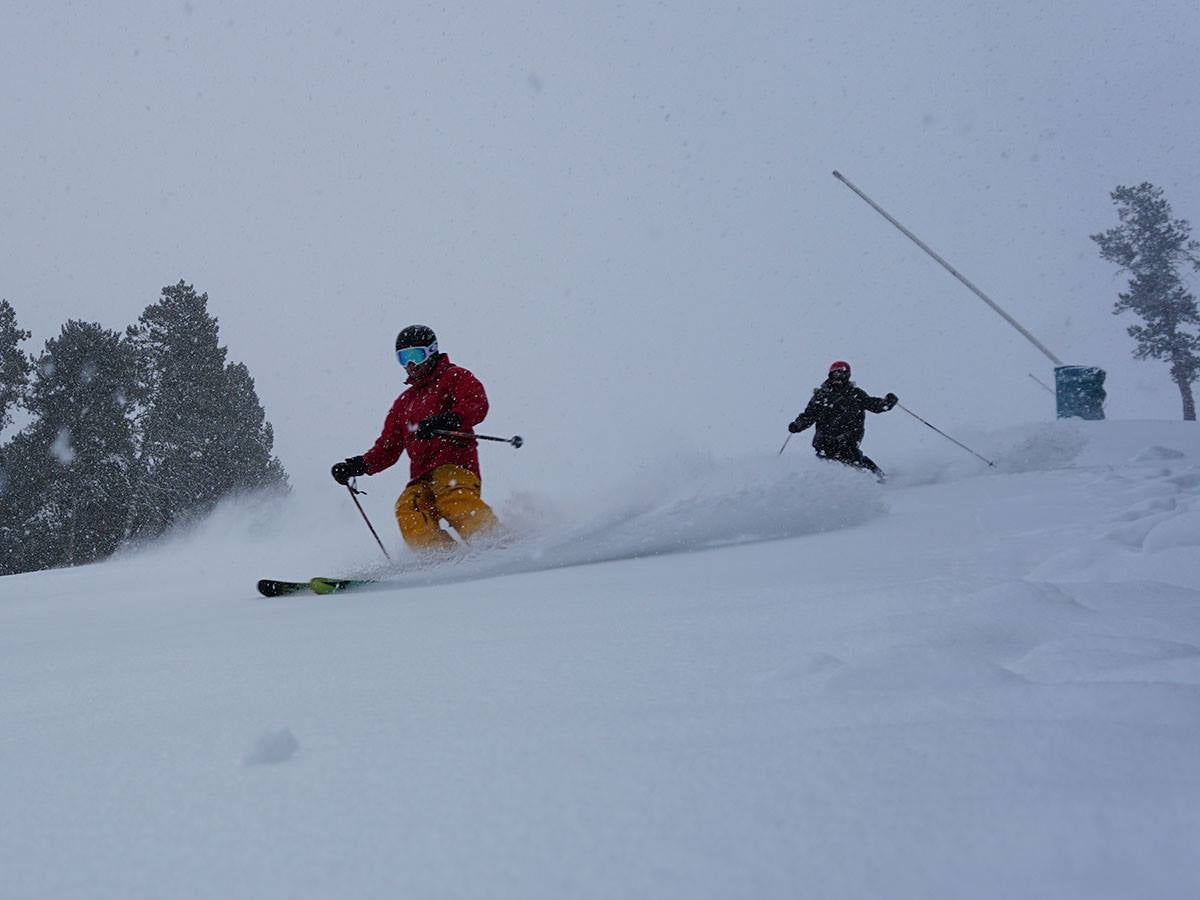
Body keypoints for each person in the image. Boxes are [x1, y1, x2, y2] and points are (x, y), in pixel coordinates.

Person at [331, 325, 501, 551]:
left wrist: (448, 419)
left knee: (453, 499)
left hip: (454, 464)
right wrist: (358, 465)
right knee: (408, 508)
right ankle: (438, 557)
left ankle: (495, 542)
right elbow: (387, 448)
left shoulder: (453, 377)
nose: (410, 364)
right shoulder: (404, 402)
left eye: (416, 355)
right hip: (421, 476)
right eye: (403, 358)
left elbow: (476, 403)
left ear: (431, 352)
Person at [787, 360, 898, 477]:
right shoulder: (821, 396)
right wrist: (797, 425)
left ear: (847, 376)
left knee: (852, 459)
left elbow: (873, 405)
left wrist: (887, 403)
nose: (838, 378)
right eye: (835, 374)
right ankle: (830, 488)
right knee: (826, 463)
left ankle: (879, 478)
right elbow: (809, 415)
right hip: (824, 439)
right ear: (830, 375)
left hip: (848, 437)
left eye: (842, 374)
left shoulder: (855, 394)